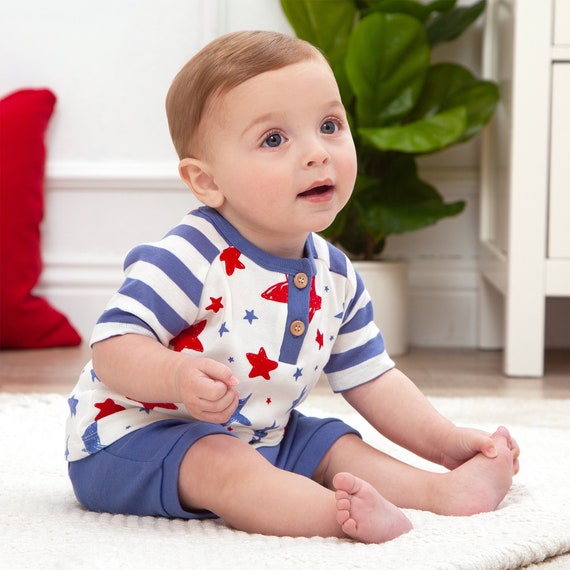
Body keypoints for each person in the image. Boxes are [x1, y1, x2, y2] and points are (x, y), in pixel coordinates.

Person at [65, 30, 520, 544]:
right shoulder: (190, 255)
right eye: (274, 139)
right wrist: (176, 375)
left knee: (332, 441)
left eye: (330, 125)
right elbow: (112, 348)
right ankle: (336, 517)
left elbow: (373, 379)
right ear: (207, 181)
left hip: (263, 434)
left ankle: (443, 492)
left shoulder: (336, 274)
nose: (317, 153)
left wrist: (444, 440)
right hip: (131, 441)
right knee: (222, 461)